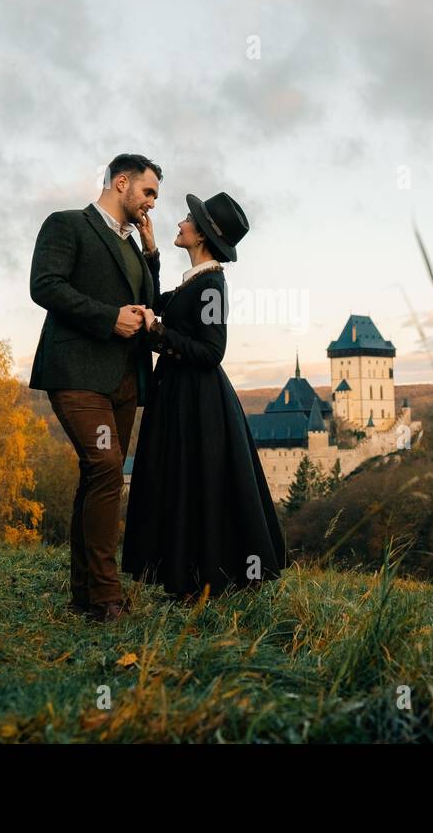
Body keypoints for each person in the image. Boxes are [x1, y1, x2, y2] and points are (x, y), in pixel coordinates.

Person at [122, 191, 287, 601]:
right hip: (180, 394)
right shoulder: (196, 282)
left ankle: (200, 580)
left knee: (194, 484)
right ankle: (185, 577)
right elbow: (157, 303)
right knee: (179, 481)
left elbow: (213, 351)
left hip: (198, 400)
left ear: (201, 237)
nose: (180, 223)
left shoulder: (212, 286)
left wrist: (156, 332)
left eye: (188, 220)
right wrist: (152, 251)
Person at [28, 153, 161, 623]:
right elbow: (44, 286)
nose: (152, 204)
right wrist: (108, 319)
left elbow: (149, 301)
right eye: (147, 193)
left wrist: (151, 256)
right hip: (77, 372)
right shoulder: (67, 224)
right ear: (120, 182)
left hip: (126, 380)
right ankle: (107, 598)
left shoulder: (135, 243)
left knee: (96, 479)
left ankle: (83, 594)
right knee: (107, 468)